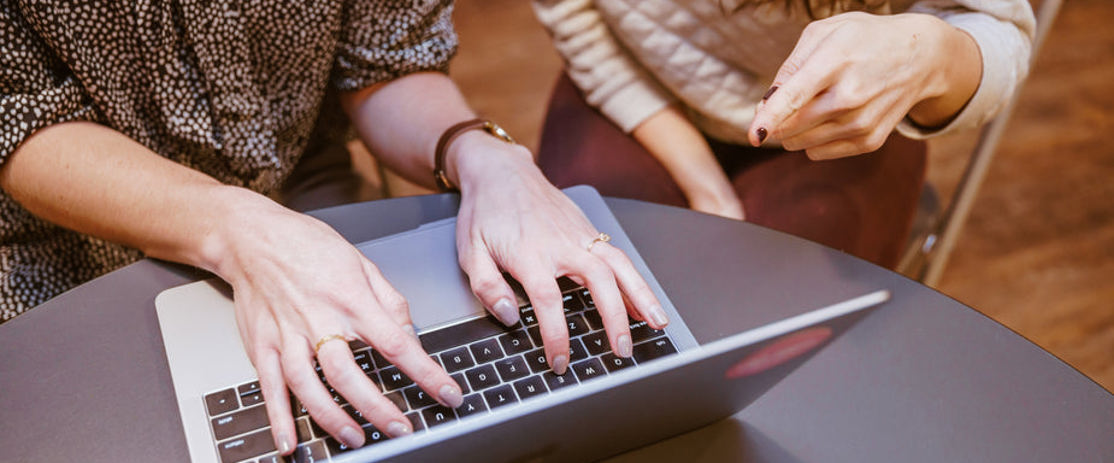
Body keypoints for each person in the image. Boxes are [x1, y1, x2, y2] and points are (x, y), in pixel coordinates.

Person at [0, 1, 669, 456]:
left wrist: (481, 152)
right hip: (69, 255)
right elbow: (18, 120)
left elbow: (385, 59)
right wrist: (237, 227)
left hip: (305, 190)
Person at [532, 0, 1035, 268]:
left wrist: (931, 55)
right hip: (632, 77)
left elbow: (997, 29)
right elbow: (577, 14)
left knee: (780, 334)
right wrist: (705, 185)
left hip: (837, 121)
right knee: (593, 297)